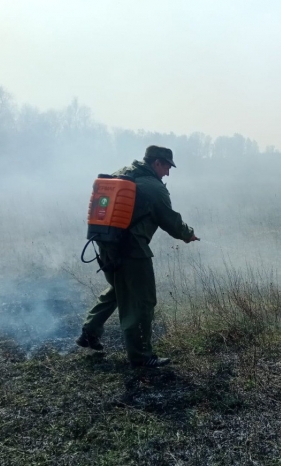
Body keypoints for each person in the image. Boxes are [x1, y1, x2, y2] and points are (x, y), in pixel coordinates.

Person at [76, 145, 199, 367]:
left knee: (118, 289)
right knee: (141, 301)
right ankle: (142, 357)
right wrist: (188, 234)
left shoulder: (121, 173)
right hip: (132, 251)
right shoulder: (153, 187)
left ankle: (89, 332)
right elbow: (170, 220)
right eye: (167, 167)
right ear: (157, 163)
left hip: (105, 244)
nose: (168, 173)